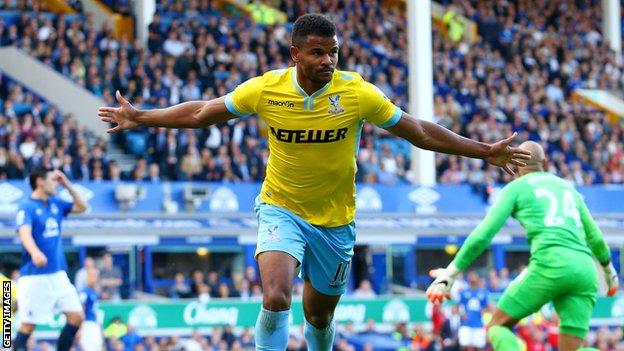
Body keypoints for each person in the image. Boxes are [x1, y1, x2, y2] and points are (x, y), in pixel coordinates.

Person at [98, 14, 530, 351]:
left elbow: (418, 131)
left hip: (335, 223)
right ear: (295, 54)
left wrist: (484, 150)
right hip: (280, 207)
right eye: (318, 52)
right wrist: (140, 116)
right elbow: (200, 113)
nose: (328, 60)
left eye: (334, 52)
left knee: (319, 318)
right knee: (276, 296)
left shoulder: (357, 93)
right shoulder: (264, 90)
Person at [426, 141, 619, 351]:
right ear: (544, 162)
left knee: (497, 327)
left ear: (515, 163)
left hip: (551, 263)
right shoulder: (567, 188)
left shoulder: (516, 188)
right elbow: (596, 238)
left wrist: (451, 273)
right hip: (585, 271)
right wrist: (609, 272)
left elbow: (484, 235)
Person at [13, 168, 88, 351]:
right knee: (27, 326)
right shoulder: (27, 206)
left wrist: (67, 184)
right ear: (39, 181)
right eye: (52, 180)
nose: (56, 183)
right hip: (35, 277)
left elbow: (82, 207)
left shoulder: (55, 203)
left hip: (58, 275)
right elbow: (24, 233)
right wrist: (35, 252)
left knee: (77, 317)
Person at [457, 271, 488, 351]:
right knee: (464, 346)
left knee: (480, 346)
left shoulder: (483, 292)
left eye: (474, 276)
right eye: (471, 276)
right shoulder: (463, 292)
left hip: (478, 324)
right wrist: (462, 314)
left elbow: (486, 306)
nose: (472, 278)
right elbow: (456, 307)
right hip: (466, 323)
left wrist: (483, 311)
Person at [79, 266, 102, 351]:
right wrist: (80, 328)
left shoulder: (95, 292)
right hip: (87, 324)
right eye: (92, 276)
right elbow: (81, 309)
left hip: (95, 323)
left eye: (96, 276)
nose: (94, 278)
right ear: (87, 277)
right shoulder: (84, 292)